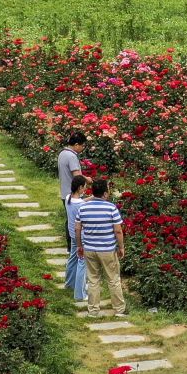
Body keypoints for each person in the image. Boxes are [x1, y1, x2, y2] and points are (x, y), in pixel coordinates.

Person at [77, 176, 127, 317]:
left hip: (89, 249)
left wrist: (80, 246)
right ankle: (119, 309)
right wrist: (121, 247)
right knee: (113, 279)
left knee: (93, 280)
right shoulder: (111, 208)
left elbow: (77, 228)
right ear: (105, 193)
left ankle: (93, 311)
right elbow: (118, 230)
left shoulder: (83, 208)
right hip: (107, 250)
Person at [63, 173, 91, 303]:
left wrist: (91, 198)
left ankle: (69, 284)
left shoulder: (68, 198)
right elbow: (82, 205)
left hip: (72, 234)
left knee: (73, 258)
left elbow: (81, 201)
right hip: (82, 237)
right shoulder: (80, 205)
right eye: (84, 187)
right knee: (82, 263)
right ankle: (80, 294)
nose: (85, 189)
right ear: (80, 188)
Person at [58, 131, 85, 208]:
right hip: (73, 195)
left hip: (65, 194)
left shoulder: (62, 153)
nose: (83, 148)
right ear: (76, 145)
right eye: (82, 146)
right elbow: (77, 177)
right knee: (76, 215)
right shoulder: (71, 156)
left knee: (69, 215)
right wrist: (87, 179)